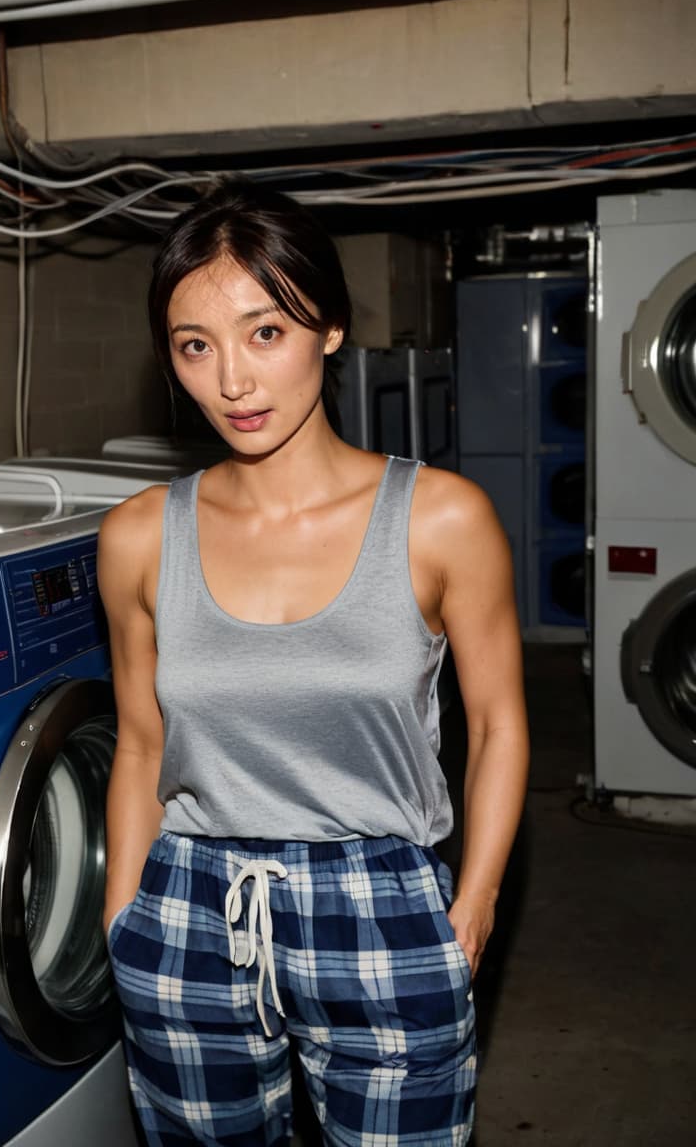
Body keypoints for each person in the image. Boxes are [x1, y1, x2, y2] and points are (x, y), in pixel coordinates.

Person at [97, 176, 529, 1147]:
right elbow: (137, 743)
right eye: (193, 347)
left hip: (379, 901)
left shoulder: (441, 519)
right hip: (190, 908)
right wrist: (123, 918)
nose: (232, 383)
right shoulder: (136, 537)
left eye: (264, 332)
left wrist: (473, 905)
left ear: (328, 329)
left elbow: (497, 723)